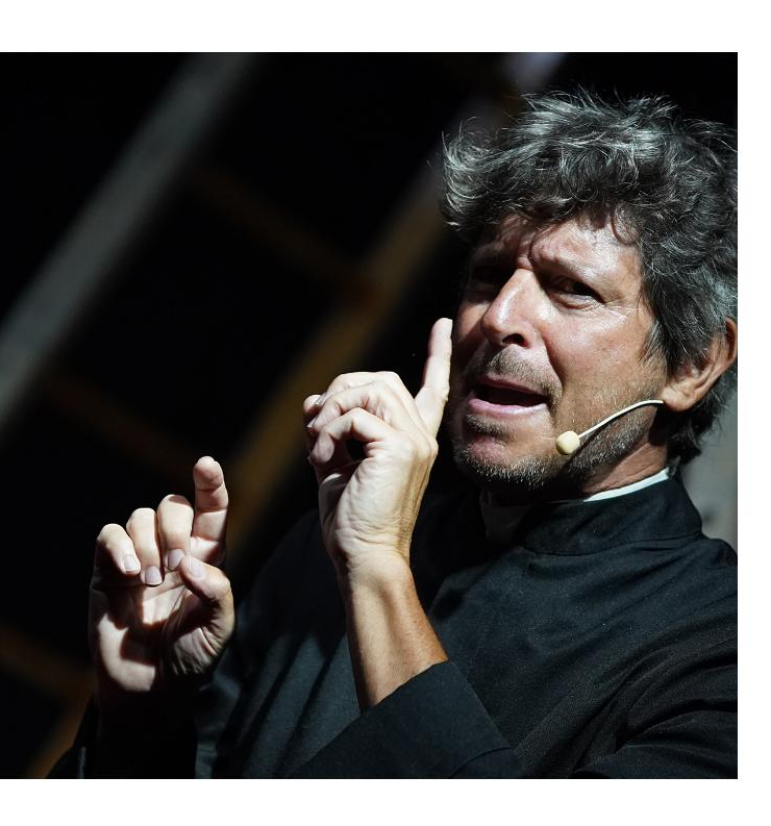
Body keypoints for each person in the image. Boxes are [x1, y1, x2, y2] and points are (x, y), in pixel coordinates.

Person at [51, 90, 738, 778]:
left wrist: (377, 568)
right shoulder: (329, 547)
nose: (498, 318)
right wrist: (142, 724)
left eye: (571, 289)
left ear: (693, 364)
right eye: (489, 275)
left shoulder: (722, 647)